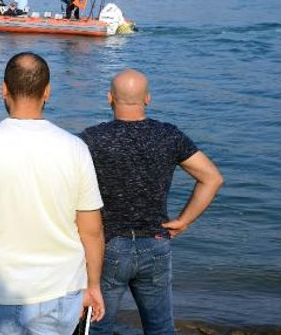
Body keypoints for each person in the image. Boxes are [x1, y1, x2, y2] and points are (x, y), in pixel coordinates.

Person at [0, 52, 106, 334]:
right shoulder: (74, 148)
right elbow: (91, 231)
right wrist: (93, 285)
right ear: (48, 91)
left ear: (3, 89)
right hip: (60, 291)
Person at [79, 69, 224, 335]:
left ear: (110, 97)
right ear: (147, 98)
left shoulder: (91, 139)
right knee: (160, 328)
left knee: (97, 327)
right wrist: (184, 220)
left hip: (107, 246)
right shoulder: (168, 135)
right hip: (156, 243)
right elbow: (212, 178)